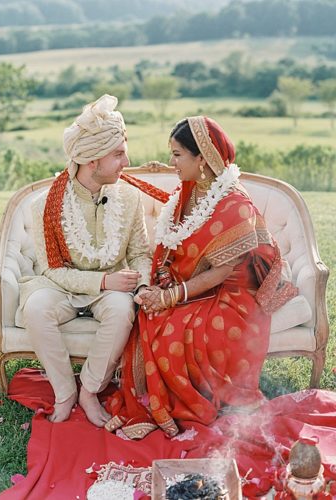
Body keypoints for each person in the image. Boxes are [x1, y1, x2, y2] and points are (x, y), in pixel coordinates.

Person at [105, 116, 297, 439]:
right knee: (152, 315)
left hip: (235, 297)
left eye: (178, 155)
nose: (171, 162)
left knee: (168, 326)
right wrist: (164, 277)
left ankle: (169, 406)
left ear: (202, 159)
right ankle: (151, 398)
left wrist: (168, 296)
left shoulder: (235, 203)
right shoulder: (190, 192)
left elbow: (221, 272)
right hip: (202, 289)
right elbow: (178, 249)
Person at [16, 95, 152, 425]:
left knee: (122, 310)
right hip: (61, 284)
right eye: (118, 154)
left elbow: (140, 253)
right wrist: (102, 281)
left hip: (113, 285)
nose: (127, 160)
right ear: (92, 160)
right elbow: (51, 268)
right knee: (36, 308)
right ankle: (65, 393)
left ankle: (90, 390)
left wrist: (144, 284)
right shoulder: (46, 204)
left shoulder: (130, 197)